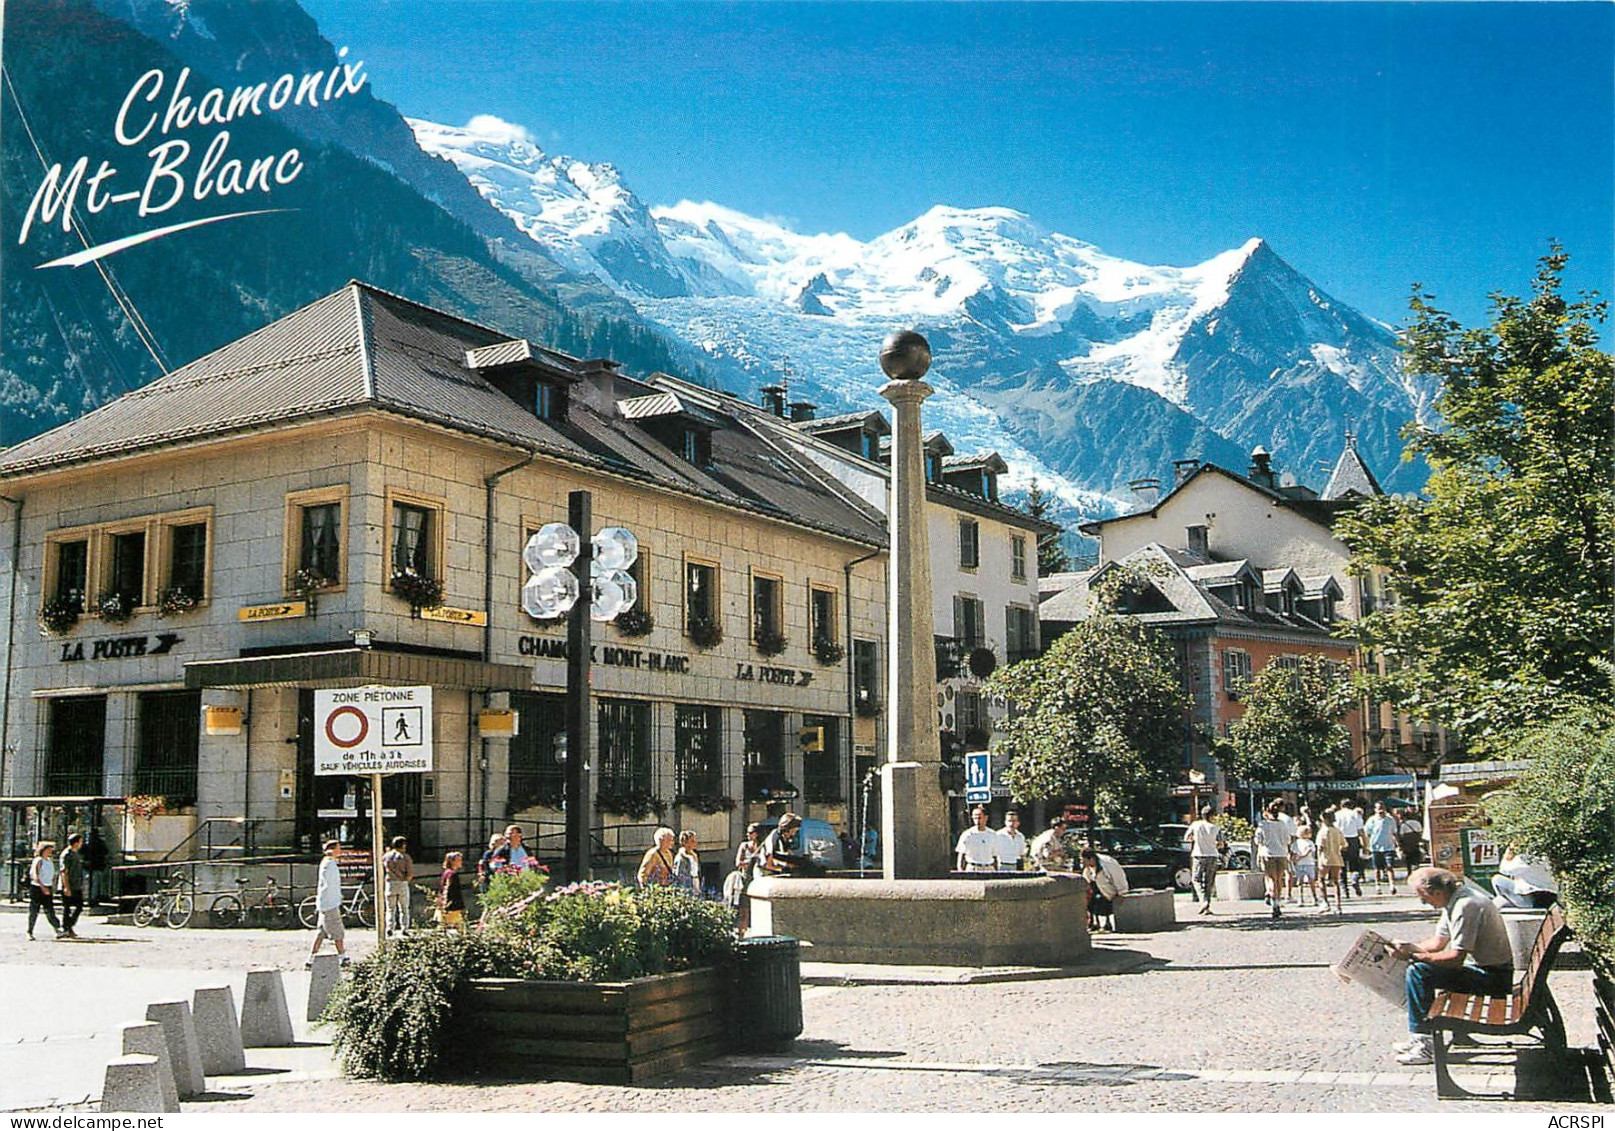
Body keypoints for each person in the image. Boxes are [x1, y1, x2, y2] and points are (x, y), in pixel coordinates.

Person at [1391, 866, 1514, 1065]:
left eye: (1423, 896)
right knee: (1419, 967)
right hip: (1490, 970)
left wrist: (1415, 957)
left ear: (1437, 892)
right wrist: (1408, 948)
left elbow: (1455, 959)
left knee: (1419, 972)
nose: (1422, 902)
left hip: (1494, 979)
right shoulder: (1455, 899)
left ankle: (1424, 1043)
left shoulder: (1466, 906)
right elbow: (1437, 943)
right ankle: (1421, 1037)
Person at [307, 840, 347, 965]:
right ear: (332, 850)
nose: (340, 851)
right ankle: (343, 957)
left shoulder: (328, 863)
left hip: (326, 902)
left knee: (321, 932)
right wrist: (337, 898)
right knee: (337, 931)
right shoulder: (329, 864)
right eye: (338, 848)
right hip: (330, 903)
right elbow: (331, 885)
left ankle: (311, 959)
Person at [1255, 802, 1292, 919]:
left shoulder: (1263, 825)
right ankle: (1277, 902)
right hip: (1281, 853)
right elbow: (1288, 840)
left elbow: (1258, 841)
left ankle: (1272, 898)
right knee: (1279, 879)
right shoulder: (1283, 825)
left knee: (1270, 878)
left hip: (1268, 854)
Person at [1491, 846, 1558, 909]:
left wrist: (1508, 855)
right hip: (1551, 897)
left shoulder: (1525, 857)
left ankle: (1506, 901)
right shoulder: (1549, 856)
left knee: (1497, 879)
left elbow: (1504, 870)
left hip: (1530, 899)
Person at [1079, 847, 1128, 932]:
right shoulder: (1088, 867)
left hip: (1108, 887)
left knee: (1105, 904)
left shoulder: (1108, 863)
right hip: (1096, 885)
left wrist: (1122, 892)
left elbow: (1118, 877)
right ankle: (1095, 923)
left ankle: (1108, 924)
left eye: (1083, 860)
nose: (1082, 863)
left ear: (1091, 859)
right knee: (1091, 902)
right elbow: (1086, 876)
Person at [1186, 805, 1223, 915]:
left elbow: (1187, 837)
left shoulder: (1195, 825)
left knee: (1196, 879)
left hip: (1198, 854)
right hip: (1213, 855)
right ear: (1212, 816)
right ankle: (1207, 904)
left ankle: (1203, 900)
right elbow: (1221, 844)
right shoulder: (1216, 828)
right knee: (1209, 881)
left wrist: (1196, 839)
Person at [26, 841, 62, 941]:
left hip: (47, 886)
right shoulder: (38, 860)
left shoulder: (49, 861)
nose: (50, 851)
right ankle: (30, 931)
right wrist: (43, 887)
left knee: (50, 910)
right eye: (49, 849)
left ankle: (57, 929)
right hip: (37, 888)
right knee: (34, 910)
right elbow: (35, 875)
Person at [1364, 802, 1399, 895]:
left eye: (1382, 808)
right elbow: (1367, 833)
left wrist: (1398, 845)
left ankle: (1392, 885)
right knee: (1377, 868)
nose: (1380, 810)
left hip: (1388, 846)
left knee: (1389, 867)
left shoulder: (1390, 819)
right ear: (1375, 809)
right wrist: (1366, 846)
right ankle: (1378, 886)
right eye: (1378, 808)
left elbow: (1394, 832)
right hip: (1376, 847)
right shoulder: (1372, 820)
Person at [1316, 809, 1347, 913]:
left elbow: (1320, 847)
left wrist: (1318, 859)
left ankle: (1325, 902)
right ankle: (1338, 905)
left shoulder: (1323, 831)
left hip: (1325, 858)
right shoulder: (1337, 831)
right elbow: (1344, 845)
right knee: (1336, 882)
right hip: (1336, 858)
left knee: (1321, 879)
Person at [57, 832, 87, 939]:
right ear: (76, 842)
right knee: (67, 908)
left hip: (76, 885)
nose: (81, 843)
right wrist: (66, 887)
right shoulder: (66, 854)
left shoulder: (76, 853)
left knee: (79, 906)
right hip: (68, 885)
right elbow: (64, 871)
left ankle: (69, 926)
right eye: (80, 841)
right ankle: (66, 928)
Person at [382, 835, 414, 934]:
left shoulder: (386, 856)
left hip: (390, 883)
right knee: (404, 908)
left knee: (390, 908)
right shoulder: (405, 857)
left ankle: (389, 927)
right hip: (402, 882)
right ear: (403, 845)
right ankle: (404, 928)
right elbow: (410, 873)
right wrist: (406, 880)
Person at [954, 805, 999, 872]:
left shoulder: (992, 834)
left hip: (988, 868)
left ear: (985, 818)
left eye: (979, 818)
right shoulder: (967, 834)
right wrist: (960, 871)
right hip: (973, 868)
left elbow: (995, 855)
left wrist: (996, 871)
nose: (977, 820)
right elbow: (961, 855)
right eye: (975, 818)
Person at [1335, 798, 1366, 896]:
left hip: (1341, 840)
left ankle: (1344, 889)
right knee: (1354, 862)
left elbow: (1335, 830)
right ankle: (1354, 878)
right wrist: (1365, 845)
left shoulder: (1337, 815)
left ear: (1341, 805)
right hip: (1353, 840)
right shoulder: (1355, 814)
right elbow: (1361, 831)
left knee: (1341, 865)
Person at [1291, 823, 1321, 908]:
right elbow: (1293, 852)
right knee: (1301, 881)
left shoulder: (1309, 843)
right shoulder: (1297, 843)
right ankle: (1301, 898)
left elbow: (1308, 852)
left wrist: (1297, 858)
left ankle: (1313, 897)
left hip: (1307, 863)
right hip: (1306, 863)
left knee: (1309, 881)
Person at [437, 851, 467, 931]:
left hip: (448, 903)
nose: (461, 862)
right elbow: (448, 888)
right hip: (452, 904)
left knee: (445, 925)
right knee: (459, 926)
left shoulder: (446, 872)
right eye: (459, 860)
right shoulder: (452, 874)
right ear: (452, 861)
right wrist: (446, 903)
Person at [1395, 807, 1424, 878]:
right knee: (1416, 857)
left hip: (1407, 845)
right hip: (1415, 843)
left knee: (1408, 859)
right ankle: (1417, 869)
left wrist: (1400, 845)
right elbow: (1420, 832)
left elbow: (1402, 835)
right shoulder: (1417, 823)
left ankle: (1409, 872)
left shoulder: (1404, 825)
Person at [673, 830, 702, 895]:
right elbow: (679, 875)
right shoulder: (681, 857)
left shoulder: (694, 855)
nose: (695, 843)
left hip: (695, 883)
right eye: (692, 841)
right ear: (685, 842)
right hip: (686, 887)